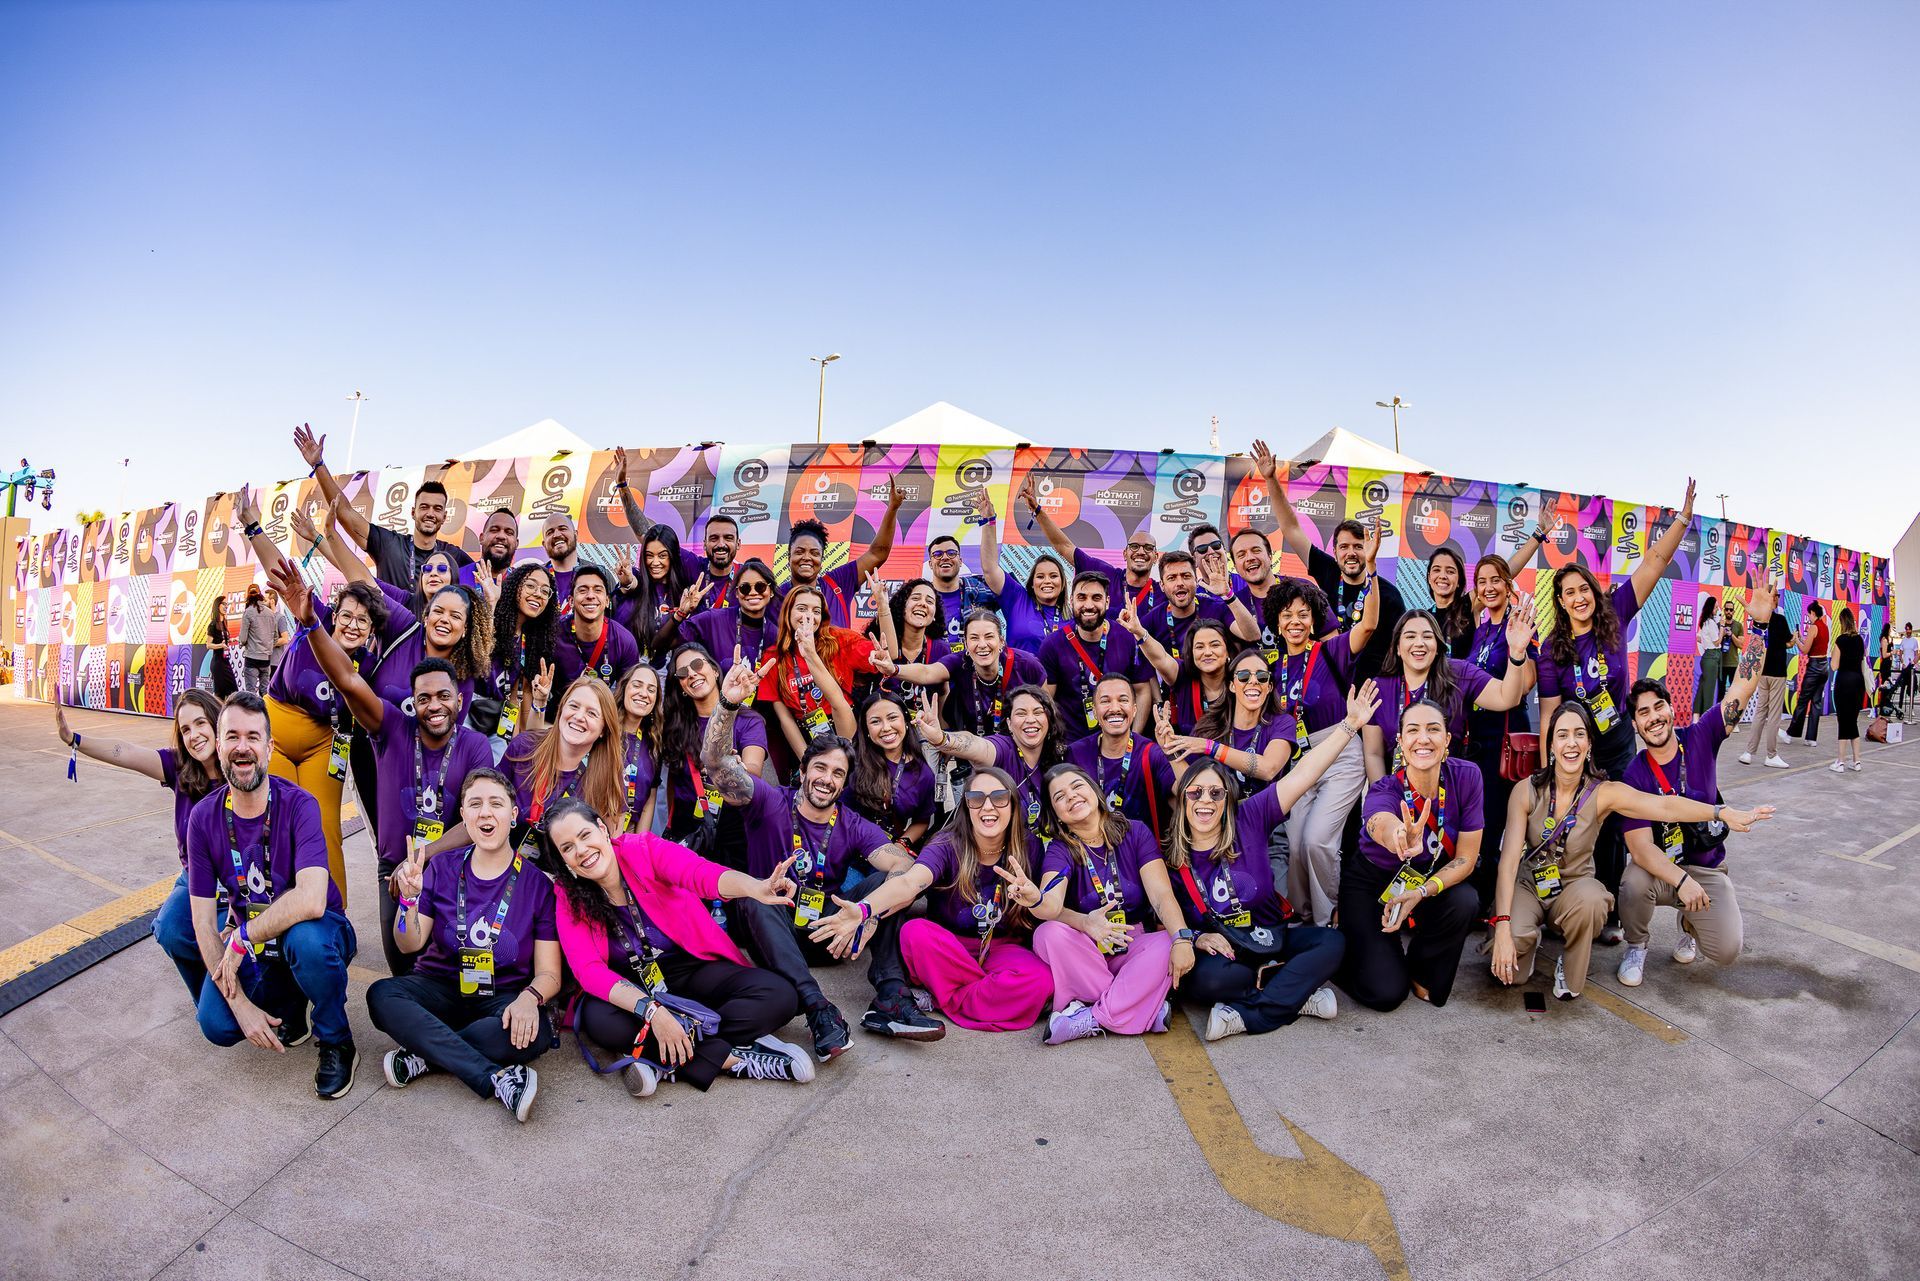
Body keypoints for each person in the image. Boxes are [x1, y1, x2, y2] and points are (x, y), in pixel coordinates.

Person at [701, 670, 938, 1056]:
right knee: (754, 898)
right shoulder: (769, 800)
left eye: (838, 773)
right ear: (804, 771)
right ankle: (819, 1009)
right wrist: (727, 705)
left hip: (828, 929)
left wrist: (867, 913)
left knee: (892, 879)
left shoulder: (852, 823)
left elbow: (902, 870)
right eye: (821, 768)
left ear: (844, 785)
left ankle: (891, 997)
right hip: (773, 923)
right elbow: (716, 763)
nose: (827, 779)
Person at [276, 562, 494, 974]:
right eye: (423, 697)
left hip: (448, 863)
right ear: (410, 700)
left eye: (443, 697)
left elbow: (478, 820)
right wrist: (310, 625)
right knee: (400, 966)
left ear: (460, 701)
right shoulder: (392, 726)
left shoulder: (474, 746)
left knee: (450, 964)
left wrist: (424, 856)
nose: (433, 706)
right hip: (392, 868)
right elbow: (348, 679)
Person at [1491, 701, 1773, 1000]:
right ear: (1551, 744)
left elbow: (1665, 805)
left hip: (1574, 888)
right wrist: (1503, 928)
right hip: (1530, 884)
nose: (1571, 743)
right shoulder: (1527, 790)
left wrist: (1720, 812)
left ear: (1589, 745)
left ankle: (1569, 967)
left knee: (1593, 900)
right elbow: (1508, 864)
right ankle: (1527, 940)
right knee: (1512, 976)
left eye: (1579, 734)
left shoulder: (1603, 792)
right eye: (1562, 735)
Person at [547, 797, 816, 1093]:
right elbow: (588, 970)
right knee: (600, 1022)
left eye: (584, 836)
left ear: (601, 828)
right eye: (568, 848)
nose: (581, 851)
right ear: (563, 860)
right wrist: (652, 1012)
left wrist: (753, 887)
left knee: (779, 996)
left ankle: (658, 1054)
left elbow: (700, 874)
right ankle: (732, 1059)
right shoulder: (567, 894)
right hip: (631, 988)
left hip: (685, 968)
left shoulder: (643, 849)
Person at [1163, 681, 1379, 1040]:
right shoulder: (1171, 854)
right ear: (1183, 798)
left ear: (1228, 798)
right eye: (1195, 792)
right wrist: (1197, 938)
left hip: (1270, 937)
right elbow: (1163, 918)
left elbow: (1303, 773)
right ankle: (1294, 994)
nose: (1206, 800)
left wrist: (1349, 726)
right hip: (1225, 951)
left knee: (1331, 943)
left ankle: (1248, 1015)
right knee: (1209, 981)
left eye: (1216, 792)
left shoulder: (1249, 816)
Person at [1537, 479, 1698, 942]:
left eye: (1582, 588)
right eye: (1567, 593)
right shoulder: (1552, 650)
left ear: (1591, 590)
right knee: (1577, 829)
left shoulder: (1616, 614)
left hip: (1620, 748)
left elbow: (1655, 561)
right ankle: (1568, 907)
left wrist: (1682, 519)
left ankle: (1609, 913)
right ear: (1561, 602)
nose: (1578, 597)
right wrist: (1551, 765)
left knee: (1619, 829)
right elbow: (1550, 711)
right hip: (1575, 756)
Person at [175, 694, 359, 1099]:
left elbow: (311, 899)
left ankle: (336, 1040)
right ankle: (292, 1009)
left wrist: (242, 937)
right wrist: (238, 1003)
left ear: (269, 748)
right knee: (217, 1024)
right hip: (263, 948)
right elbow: (202, 924)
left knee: (306, 941)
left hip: (320, 932)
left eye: (253, 737)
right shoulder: (203, 820)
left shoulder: (299, 805)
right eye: (232, 736)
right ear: (219, 747)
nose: (243, 747)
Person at [369, 769, 561, 1122]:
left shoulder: (537, 885)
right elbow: (408, 944)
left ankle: (425, 1054)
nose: (485, 813)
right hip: (439, 988)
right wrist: (409, 902)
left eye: (496, 803)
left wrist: (528, 999)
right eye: (475, 804)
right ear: (464, 816)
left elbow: (550, 973)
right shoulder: (441, 867)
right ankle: (497, 1079)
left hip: (501, 995)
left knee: (536, 1033)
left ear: (513, 815)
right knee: (381, 996)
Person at [808, 767, 1053, 1033]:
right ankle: (989, 994)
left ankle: (941, 998)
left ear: (1013, 804)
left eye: (998, 797)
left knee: (1041, 981)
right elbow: (909, 882)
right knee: (914, 932)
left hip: (1001, 947)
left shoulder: (1029, 846)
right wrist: (865, 910)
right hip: (948, 949)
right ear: (967, 805)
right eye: (976, 798)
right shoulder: (946, 844)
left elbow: (1047, 904)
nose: (987, 806)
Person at [1616, 594, 1770, 986]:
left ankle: (1692, 925)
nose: (1653, 718)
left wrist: (1761, 629)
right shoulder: (1634, 774)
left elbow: (1742, 687)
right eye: (1643, 713)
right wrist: (1681, 882)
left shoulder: (1701, 737)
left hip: (1706, 865)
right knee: (1632, 881)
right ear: (1635, 725)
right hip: (1663, 871)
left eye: (1659, 707)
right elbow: (1640, 848)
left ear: (1672, 708)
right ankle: (1637, 944)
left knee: (1727, 950)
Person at [55, 689, 225, 1001]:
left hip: (237, 884)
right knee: (171, 931)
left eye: (201, 723)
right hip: (195, 881)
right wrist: (74, 738)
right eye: (185, 729)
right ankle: (209, 997)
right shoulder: (179, 767)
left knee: (233, 940)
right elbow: (126, 751)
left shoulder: (240, 770)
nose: (194, 735)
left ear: (218, 722)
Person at [1025, 765, 1195, 1042]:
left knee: (1167, 942)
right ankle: (1141, 1007)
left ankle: (1090, 1018)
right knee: (1048, 933)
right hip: (1087, 947)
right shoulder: (1060, 848)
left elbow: (1162, 895)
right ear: (1055, 813)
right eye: (1059, 796)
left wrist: (1182, 939)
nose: (1071, 796)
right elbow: (1050, 905)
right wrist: (1039, 901)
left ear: (1094, 790)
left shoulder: (1136, 832)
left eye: (1077, 786)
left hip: (1132, 942)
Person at [1263, 536, 1382, 927]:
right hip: (1298, 760)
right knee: (1295, 844)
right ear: (1277, 622)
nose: (1295, 621)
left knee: (1317, 840)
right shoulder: (1269, 668)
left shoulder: (1331, 651)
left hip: (1340, 751)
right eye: (1287, 615)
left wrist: (1373, 569)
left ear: (1314, 620)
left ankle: (1327, 917)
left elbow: (1369, 624)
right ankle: (1302, 917)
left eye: (1303, 614)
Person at [1343, 698, 1485, 1010]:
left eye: (1433, 730)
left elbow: (1466, 859)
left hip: (1422, 880)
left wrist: (1421, 892)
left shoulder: (1467, 776)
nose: (1423, 738)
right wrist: (1398, 835)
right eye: (1413, 730)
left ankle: (1422, 968)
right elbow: (1378, 821)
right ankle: (1350, 943)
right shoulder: (1385, 789)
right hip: (1373, 885)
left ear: (1447, 740)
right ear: (1400, 741)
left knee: (1465, 899)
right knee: (1386, 994)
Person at [1251, 438, 1405, 682]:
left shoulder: (1388, 595)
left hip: (1369, 692)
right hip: (1324, 683)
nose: (1351, 553)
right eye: (1344, 547)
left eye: (1358, 546)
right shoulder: (1328, 571)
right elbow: (1291, 529)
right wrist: (1270, 479)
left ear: (1370, 549)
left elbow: (1397, 653)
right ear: (1334, 552)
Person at [295, 423, 472, 609]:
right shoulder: (390, 544)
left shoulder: (454, 556)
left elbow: (488, 575)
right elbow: (345, 513)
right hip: (389, 636)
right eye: (424, 507)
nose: (430, 513)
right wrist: (319, 465)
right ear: (413, 512)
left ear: (444, 516)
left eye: (437, 509)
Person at [1361, 607, 1535, 782]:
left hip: (1451, 790)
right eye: (1410, 636)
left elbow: (1507, 698)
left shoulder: (1459, 673)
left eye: (1427, 636)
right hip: (1399, 794)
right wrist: (1384, 796)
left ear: (1437, 646)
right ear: (1398, 648)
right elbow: (1373, 753)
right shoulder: (1379, 688)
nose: (1419, 643)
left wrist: (1516, 653)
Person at [500, 676, 628, 858]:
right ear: (561, 710)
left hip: (560, 882)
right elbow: (487, 807)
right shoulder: (524, 747)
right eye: (574, 706)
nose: (579, 716)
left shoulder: (608, 779)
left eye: (592, 713)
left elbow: (609, 853)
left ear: (604, 730)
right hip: (503, 865)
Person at [757, 583, 890, 758]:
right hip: (809, 736)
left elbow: (890, 655)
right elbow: (785, 719)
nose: (809, 616)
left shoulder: (840, 640)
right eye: (802, 609)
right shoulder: (774, 656)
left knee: (847, 772)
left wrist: (883, 606)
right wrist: (806, 761)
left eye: (816, 611)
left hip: (846, 725)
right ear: (788, 612)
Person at [659, 642, 769, 846]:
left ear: (715, 671)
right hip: (687, 833)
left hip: (734, 831)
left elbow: (754, 772)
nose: (691, 673)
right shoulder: (674, 726)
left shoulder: (748, 721)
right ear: (681, 686)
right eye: (683, 672)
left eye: (697, 664)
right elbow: (673, 786)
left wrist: (734, 768)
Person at [919, 686, 1070, 833]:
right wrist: (942, 739)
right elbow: (976, 745)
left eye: (1038, 712)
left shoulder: (1057, 758)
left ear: (1049, 720)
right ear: (1009, 724)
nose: (1030, 719)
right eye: (1021, 713)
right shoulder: (1003, 749)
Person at [1017, 471, 1165, 620]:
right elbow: (1064, 546)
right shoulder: (1106, 574)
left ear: (1156, 556)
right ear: (1124, 553)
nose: (1140, 551)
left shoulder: (1163, 593)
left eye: (1148, 548)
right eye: (1134, 546)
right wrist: (1037, 509)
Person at [1038, 569, 1152, 745]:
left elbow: (1143, 691)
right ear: (1071, 601)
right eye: (1081, 597)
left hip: (1118, 744)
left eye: (1096, 598)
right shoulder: (1053, 644)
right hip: (1071, 746)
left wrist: (1131, 738)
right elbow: (1046, 700)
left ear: (1107, 602)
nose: (1089, 605)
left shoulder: (1128, 638)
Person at [613, 447, 741, 602]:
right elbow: (645, 534)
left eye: (728, 538)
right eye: (714, 538)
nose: (721, 544)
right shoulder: (694, 565)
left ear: (738, 543)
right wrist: (622, 485)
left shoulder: (747, 577)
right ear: (705, 543)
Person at [779, 480, 903, 628]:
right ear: (789, 557)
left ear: (821, 559)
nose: (807, 557)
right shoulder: (776, 597)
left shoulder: (838, 583)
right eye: (799, 552)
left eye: (814, 553)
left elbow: (878, 554)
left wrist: (893, 508)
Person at [1061, 673, 1174, 833]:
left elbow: (1186, 797)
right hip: (1091, 851)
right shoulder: (1076, 754)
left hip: (1142, 854)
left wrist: (1171, 751)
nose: (1114, 708)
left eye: (1123, 700)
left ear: (1134, 709)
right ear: (1094, 710)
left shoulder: (1151, 752)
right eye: (1105, 701)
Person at [973, 488, 1068, 653]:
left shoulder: (1074, 616)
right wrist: (989, 522)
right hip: (1018, 678)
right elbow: (989, 568)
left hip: (1057, 679)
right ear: (1032, 583)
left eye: (1053, 576)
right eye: (1040, 576)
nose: (1047, 581)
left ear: (1062, 583)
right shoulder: (1018, 599)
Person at [481, 563, 558, 754]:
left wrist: (514, 750)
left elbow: (515, 703)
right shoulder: (490, 621)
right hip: (468, 712)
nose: (538, 594)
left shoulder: (532, 643)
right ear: (515, 587)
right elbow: (478, 657)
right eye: (530, 586)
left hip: (495, 724)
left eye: (545, 591)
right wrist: (491, 605)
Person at [847, 690, 938, 849]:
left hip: (885, 852)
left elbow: (922, 820)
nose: (886, 727)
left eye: (892, 718)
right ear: (866, 729)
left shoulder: (923, 774)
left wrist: (901, 845)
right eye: (876, 722)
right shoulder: (852, 759)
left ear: (906, 720)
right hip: (844, 847)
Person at [1123, 612, 1234, 735]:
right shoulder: (1182, 675)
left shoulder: (1242, 680)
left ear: (1228, 650)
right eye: (1199, 647)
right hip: (1189, 753)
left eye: (1215, 645)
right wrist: (1139, 632)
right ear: (1191, 653)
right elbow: (1161, 658)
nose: (1207, 652)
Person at [614, 524, 705, 663]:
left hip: (675, 676)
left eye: (662, 556)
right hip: (632, 675)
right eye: (649, 555)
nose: (655, 562)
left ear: (673, 556)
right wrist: (627, 583)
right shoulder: (637, 584)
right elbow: (632, 583)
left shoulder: (686, 595)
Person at [551, 565, 641, 695]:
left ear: (606, 601)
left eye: (598, 590)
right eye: (582, 590)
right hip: (560, 711)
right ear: (571, 601)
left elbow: (626, 697)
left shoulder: (624, 641)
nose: (590, 596)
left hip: (603, 712)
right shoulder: (553, 635)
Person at [679, 557, 780, 673]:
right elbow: (669, 642)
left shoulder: (776, 636)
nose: (753, 592)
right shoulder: (713, 620)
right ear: (737, 593)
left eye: (760, 587)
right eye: (745, 588)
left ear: (771, 591)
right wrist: (681, 613)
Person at [1738, 592, 1796, 768]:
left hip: (1762, 671)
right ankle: (1771, 754)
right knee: (1774, 716)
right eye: (1776, 596)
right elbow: (1788, 641)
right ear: (1774, 599)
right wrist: (1792, 639)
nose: (1777, 599)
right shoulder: (1779, 619)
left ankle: (1749, 752)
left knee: (1760, 712)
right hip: (1777, 671)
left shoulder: (1759, 621)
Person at [923, 532, 999, 652]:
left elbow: (1014, 595)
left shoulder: (980, 589)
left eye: (951, 553)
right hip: (932, 667)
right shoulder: (921, 598)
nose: (945, 557)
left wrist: (989, 520)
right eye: (937, 554)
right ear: (930, 564)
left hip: (975, 666)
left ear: (961, 561)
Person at [611, 663, 665, 832]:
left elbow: (650, 799)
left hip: (628, 836)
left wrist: (638, 845)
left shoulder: (654, 743)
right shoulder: (603, 730)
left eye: (651, 690)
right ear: (624, 687)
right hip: (591, 830)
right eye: (637, 685)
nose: (643, 693)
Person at [1786, 601, 1833, 745]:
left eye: (1809, 614)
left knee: (1803, 700)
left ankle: (1791, 733)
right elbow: (1814, 645)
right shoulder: (1824, 627)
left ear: (1813, 613)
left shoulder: (1814, 627)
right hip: (1824, 666)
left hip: (1814, 667)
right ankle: (1811, 738)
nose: (1808, 616)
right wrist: (1801, 638)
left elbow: (1805, 650)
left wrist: (1797, 639)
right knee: (1816, 703)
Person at [1830, 607, 1868, 772]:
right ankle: (1857, 761)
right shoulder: (1860, 640)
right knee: (1853, 720)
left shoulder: (1840, 640)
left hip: (1844, 682)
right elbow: (1862, 660)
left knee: (1843, 721)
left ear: (1841, 622)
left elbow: (1834, 666)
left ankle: (1840, 761)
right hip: (1858, 683)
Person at [1426, 548, 1476, 659]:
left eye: (1450, 571)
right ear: (1429, 578)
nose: (1443, 576)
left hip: (1464, 676)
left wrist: (1525, 544)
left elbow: (1502, 573)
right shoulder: (1424, 617)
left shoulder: (1468, 605)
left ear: (1459, 581)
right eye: (1437, 570)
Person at [458, 509, 522, 592]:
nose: (501, 536)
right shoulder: (457, 577)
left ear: (516, 543)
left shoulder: (523, 583)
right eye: (494, 530)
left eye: (509, 532)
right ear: (481, 538)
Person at [238, 584, 277, 694]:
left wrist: (243, 643)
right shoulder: (270, 613)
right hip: (266, 658)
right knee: (265, 692)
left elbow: (243, 638)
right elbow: (275, 637)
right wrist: (267, 647)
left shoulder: (248, 612)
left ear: (248, 597)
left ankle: (252, 712)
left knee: (250, 693)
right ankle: (265, 711)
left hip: (252, 657)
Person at [539, 512, 581, 603]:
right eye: (550, 532)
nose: (557, 535)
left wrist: (620, 589)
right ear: (544, 544)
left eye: (562, 528)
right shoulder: (535, 577)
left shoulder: (600, 573)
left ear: (575, 534)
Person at [1695, 595, 1723, 716]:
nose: (1717, 610)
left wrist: (1707, 642)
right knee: (1709, 691)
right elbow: (1717, 641)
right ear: (1711, 608)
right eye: (1716, 607)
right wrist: (1722, 627)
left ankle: (1697, 715)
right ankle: (1706, 718)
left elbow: (1699, 638)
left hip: (1707, 657)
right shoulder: (1711, 623)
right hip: (1712, 657)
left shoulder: (1705, 622)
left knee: (1702, 689)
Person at [203, 609, 238, 699]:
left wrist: (231, 640)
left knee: (233, 691)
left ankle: (227, 711)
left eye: (226, 605)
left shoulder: (224, 623)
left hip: (225, 661)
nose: (226, 607)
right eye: (223, 604)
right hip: (218, 663)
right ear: (217, 606)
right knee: (220, 694)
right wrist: (220, 645)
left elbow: (223, 640)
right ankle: (218, 711)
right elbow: (208, 645)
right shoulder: (213, 624)